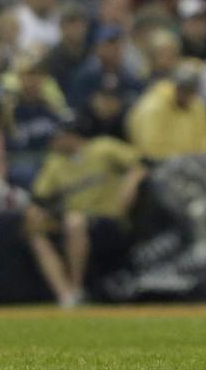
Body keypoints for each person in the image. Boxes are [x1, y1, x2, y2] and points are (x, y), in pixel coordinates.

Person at [24, 118, 145, 308]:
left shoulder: (103, 147)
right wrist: (35, 216)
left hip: (109, 220)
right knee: (36, 234)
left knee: (75, 221)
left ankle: (77, 287)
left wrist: (131, 184)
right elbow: (39, 198)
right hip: (75, 222)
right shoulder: (55, 161)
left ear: (70, 136)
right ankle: (67, 295)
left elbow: (140, 164)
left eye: (57, 138)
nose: (52, 143)